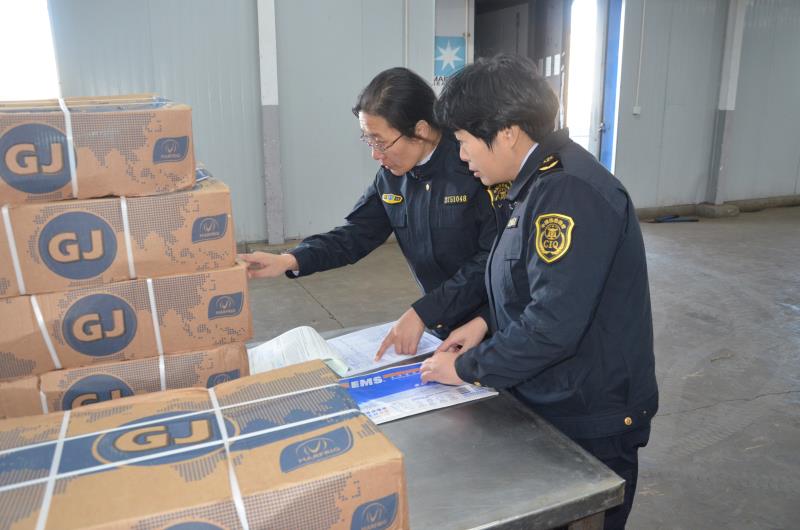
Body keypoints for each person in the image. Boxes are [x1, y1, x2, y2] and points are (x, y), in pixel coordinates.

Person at [420, 55, 658, 529]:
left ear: (507, 132)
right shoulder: (536, 183)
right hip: (556, 393)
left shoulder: (566, 193)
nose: (462, 156)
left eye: (464, 141)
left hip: (590, 413)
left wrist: (466, 368)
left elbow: (552, 325)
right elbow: (535, 282)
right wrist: (485, 322)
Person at [241, 67, 496, 358]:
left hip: (492, 325)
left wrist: (424, 313)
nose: (375, 154)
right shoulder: (391, 177)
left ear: (421, 130)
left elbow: (489, 261)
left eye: (381, 141)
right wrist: (290, 259)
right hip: (441, 326)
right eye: (368, 140)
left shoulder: (474, 167)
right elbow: (356, 234)